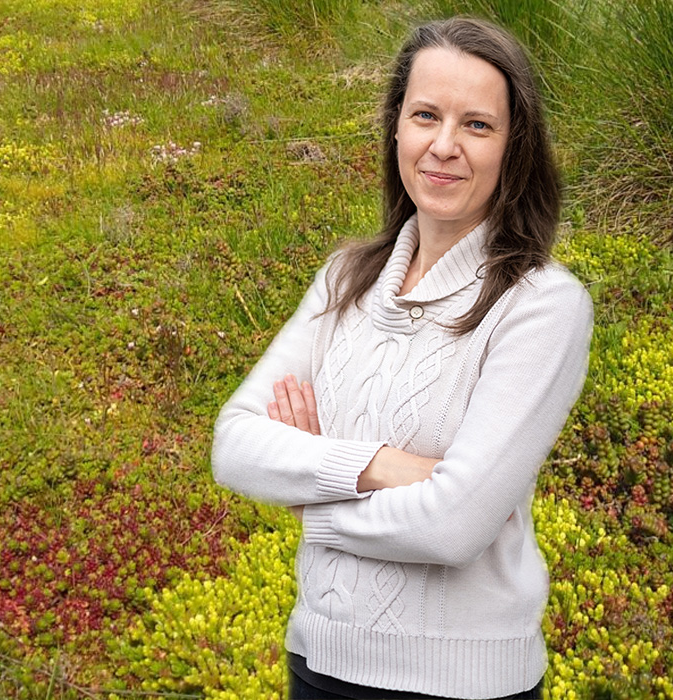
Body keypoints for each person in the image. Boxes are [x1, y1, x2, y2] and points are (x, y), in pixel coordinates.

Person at [211, 16, 593, 700]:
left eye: (477, 125)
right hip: (318, 663)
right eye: (425, 116)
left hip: (463, 686)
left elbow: (454, 526)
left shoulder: (541, 306)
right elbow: (234, 445)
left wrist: (311, 504)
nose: (443, 146)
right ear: (396, 129)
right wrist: (377, 466)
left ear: (515, 147)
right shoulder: (344, 277)